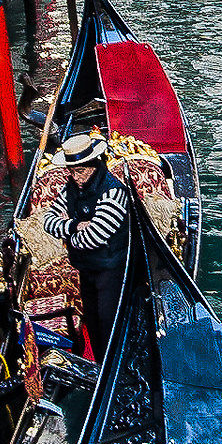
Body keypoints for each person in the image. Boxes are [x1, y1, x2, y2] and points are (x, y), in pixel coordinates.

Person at [41, 129, 130, 360]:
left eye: (80, 171)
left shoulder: (113, 192)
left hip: (111, 269)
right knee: (93, 320)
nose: (76, 177)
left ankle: (113, 365)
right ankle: (100, 365)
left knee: (108, 322)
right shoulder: (71, 188)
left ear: (94, 165)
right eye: (71, 172)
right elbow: (47, 221)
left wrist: (68, 236)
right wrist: (74, 226)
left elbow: (93, 237)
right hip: (86, 267)